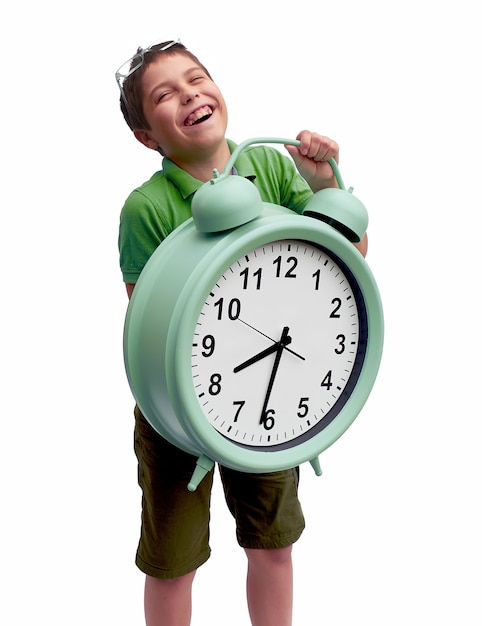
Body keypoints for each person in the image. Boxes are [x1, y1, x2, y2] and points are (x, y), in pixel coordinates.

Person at [116, 40, 367, 626]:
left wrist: (325, 181)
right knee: (173, 561)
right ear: (147, 137)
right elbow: (146, 320)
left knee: (273, 543)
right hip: (176, 413)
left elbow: (344, 261)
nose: (190, 95)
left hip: (274, 405)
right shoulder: (145, 208)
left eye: (196, 79)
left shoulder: (275, 166)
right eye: (166, 95)